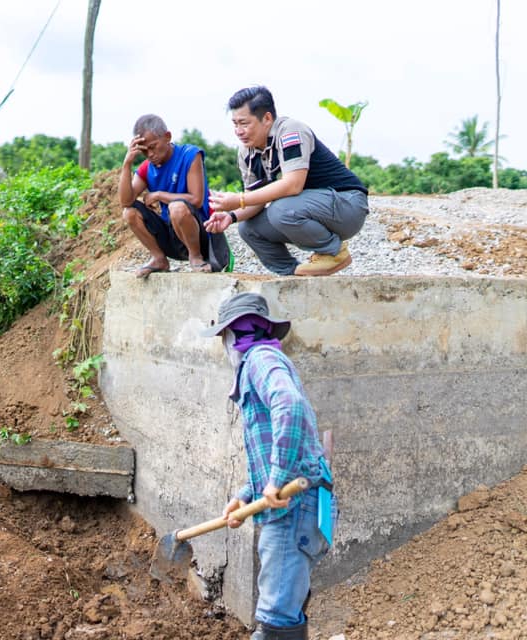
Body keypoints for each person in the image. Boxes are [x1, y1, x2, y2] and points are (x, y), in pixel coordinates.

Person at [203, 292, 334, 640]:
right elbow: (271, 444)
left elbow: (289, 407)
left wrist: (275, 481)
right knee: (286, 611)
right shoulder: (266, 360)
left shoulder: (259, 360)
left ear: (232, 335)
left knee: (276, 619)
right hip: (296, 501)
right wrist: (246, 494)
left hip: (293, 504)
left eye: (224, 338)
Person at [205, 86, 369, 276]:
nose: (239, 131)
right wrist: (231, 216)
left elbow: (293, 184)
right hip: (310, 208)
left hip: (348, 205)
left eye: (244, 123)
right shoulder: (246, 153)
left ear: (267, 119)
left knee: (280, 209)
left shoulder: (290, 131)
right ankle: (292, 273)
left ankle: (334, 252)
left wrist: (239, 199)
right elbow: (254, 201)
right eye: (235, 124)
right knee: (248, 228)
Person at [118, 114, 231, 278]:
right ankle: (159, 259)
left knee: (176, 207)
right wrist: (127, 164)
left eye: (153, 146)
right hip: (172, 236)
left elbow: (197, 199)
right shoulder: (146, 168)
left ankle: (196, 257)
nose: (150, 154)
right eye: (144, 151)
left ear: (167, 137)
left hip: (201, 234)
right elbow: (125, 201)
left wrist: (159, 195)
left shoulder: (190, 155)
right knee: (129, 212)